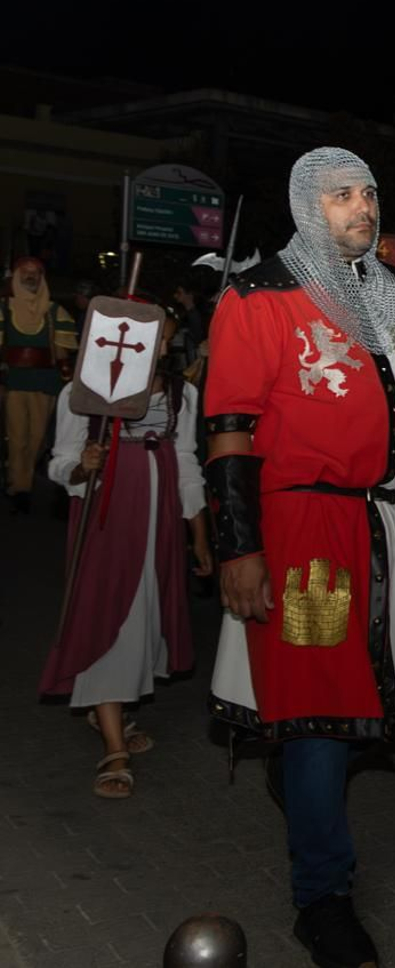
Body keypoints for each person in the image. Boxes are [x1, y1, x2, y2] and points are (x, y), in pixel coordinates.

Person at [203, 148, 395, 968]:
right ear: (309, 205)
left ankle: (301, 787)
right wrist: (239, 546)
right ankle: (323, 895)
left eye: (370, 193)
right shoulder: (259, 298)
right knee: (317, 703)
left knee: (368, 699)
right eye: (343, 195)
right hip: (308, 535)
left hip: (389, 525)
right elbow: (230, 431)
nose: (363, 207)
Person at [39, 312, 212, 798]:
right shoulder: (84, 392)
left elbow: (186, 464)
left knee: (142, 617)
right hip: (107, 521)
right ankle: (114, 744)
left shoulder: (182, 395)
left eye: (163, 339)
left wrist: (198, 533)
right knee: (105, 615)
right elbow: (60, 461)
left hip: (158, 523)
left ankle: (107, 709)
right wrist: (81, 466)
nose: (153, 345)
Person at [1, 256, 79, 514]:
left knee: (37, 439)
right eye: (25, 272)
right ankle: (19, 487)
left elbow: (62, 354)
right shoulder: (3, 309)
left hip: (45, 382)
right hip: (13, 381)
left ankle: (21, 478)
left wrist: (66, 380)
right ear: (16, 276)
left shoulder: (55, 311)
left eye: (36, 272)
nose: (31, 276)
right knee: (16, 437)